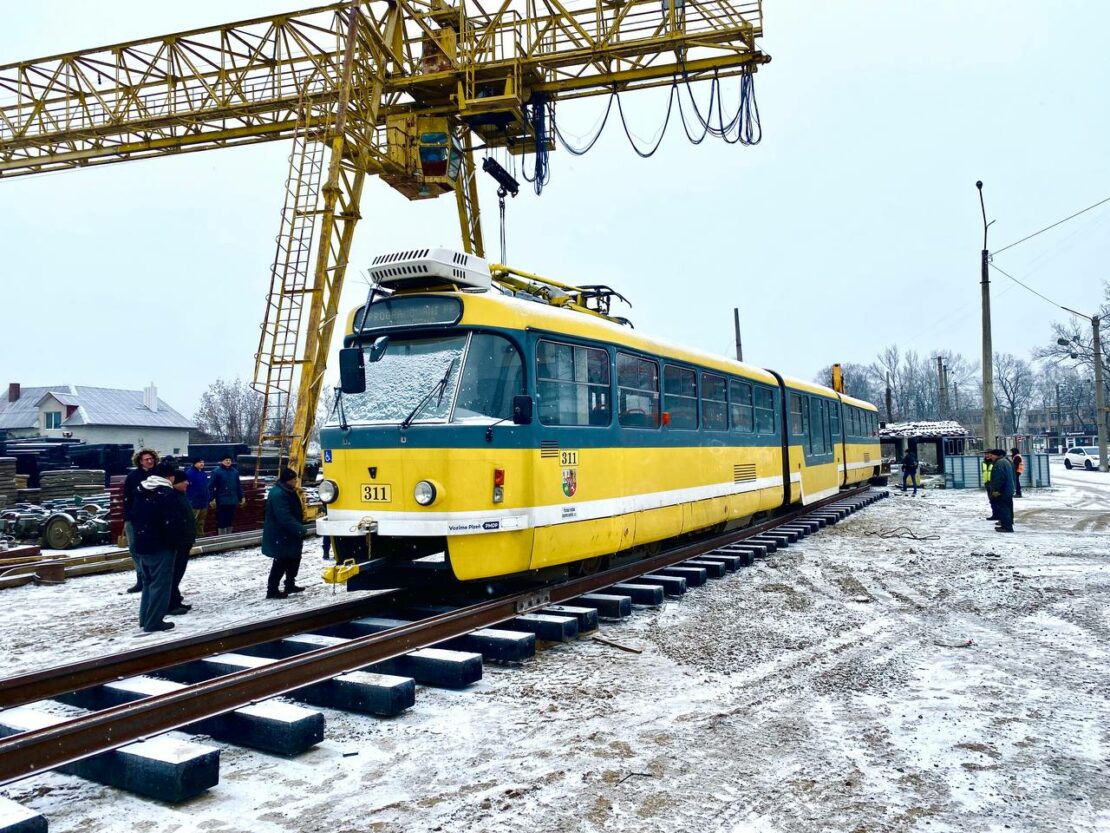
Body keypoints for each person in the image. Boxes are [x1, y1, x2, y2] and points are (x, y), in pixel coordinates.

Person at [130, 462, 190, 632]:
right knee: (161, 584)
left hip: (142, 543)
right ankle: (154, 622)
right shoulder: (166, 494)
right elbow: (173, 523)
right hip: (161, 545)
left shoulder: (142, 491)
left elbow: (134, 516)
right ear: (169, 476)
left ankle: (145, 618)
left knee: (149, 583)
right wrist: (176, 543)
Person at [263, 468, 307, 599]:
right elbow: (284, 517)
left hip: (289, 533)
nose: (296, 481)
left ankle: (290, 584)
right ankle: (272, 590)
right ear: (287, 480)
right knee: (281, 562)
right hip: (281, 534)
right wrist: (299, 528)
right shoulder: (279, 494)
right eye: (294, 479)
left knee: (293, 558)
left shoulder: (287, 490)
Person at [122, 447, 159, 593]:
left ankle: (152, 577)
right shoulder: (133, 477)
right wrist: (128, 516)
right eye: (146, 459)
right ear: (140, 461)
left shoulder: (158, 475)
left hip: (153, 518)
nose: (149, 461)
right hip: (135, 517)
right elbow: (127, 498)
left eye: (151, 459)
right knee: (134, 548)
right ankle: (141, 578)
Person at [169, 470, 197, 615]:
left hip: (185, 541)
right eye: (183, 481)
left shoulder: (180, 495)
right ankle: (171, 603)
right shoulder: (172, 497)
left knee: (178, 573)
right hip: (178, 542)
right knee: (174, 573)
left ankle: (176, 599)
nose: (187, 483)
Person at [209, 454, 243, 535]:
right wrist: (212, 498)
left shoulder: (235, 472)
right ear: (222, 461)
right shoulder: (216, 472)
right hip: (222, 500)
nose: (228, 462)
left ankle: (229, 536)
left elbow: (238, 486)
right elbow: (210, 486)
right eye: (226, 460)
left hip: (233, 500)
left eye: (229, 460)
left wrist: (242, 497)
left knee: (230, 520)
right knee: (222, 520)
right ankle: (222, 537)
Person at [986, 449, 1016, 533]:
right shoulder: (1005, 462)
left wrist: (996, 490)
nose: (990, 457)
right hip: (1008, 489)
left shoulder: (999, 464)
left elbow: (999, 478)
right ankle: (1007, 524)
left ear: (996, 455)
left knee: (1003, 508)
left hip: (1003, 491)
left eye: (991, 455)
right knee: (1007, 507)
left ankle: (1007, 527)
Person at [185, 457, 210, 535]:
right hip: (194, 503)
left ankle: (201, 536)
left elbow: (206, 487)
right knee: (192, 522)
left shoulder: (203, 473)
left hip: (203, 502)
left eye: (203, 462)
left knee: (201, 522)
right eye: (199, 462)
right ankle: (192, 537)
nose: (202, 464)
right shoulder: (189, 473)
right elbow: (186, 488)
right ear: (194, 463)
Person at [982, 451, 996, 520]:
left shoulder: (994, 462)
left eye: (988, 454)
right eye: (985, 454)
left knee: (995, 499)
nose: (986, 455)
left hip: (993, 483)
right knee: (991, 500)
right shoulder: (984, 463)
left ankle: (997, 514)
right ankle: (994, 514)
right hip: (987, 483)